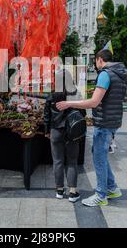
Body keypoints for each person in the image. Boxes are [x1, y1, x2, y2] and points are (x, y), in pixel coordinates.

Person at [56, 50, 127, 207]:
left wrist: (69, 103)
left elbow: (94, 103)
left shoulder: (105, 74)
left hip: (104, 123)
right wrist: (93, 92)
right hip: (114, 120)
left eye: (95, 61)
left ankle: (101, 195)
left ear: (99, 60)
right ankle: (112, 188)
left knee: (99, 158)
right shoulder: (120, 73)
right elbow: (110, 96)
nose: (95, 65)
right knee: (100, 154)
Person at [44, 69, 84, 203]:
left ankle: (59, 191)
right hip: (72, 132)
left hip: (55, 131)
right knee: (72, 161)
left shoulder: (51, 95)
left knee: (58, 161)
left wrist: (47, 131)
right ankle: (72, 192)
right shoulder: (75, 94)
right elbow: (82, 114)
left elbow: (46, 116)